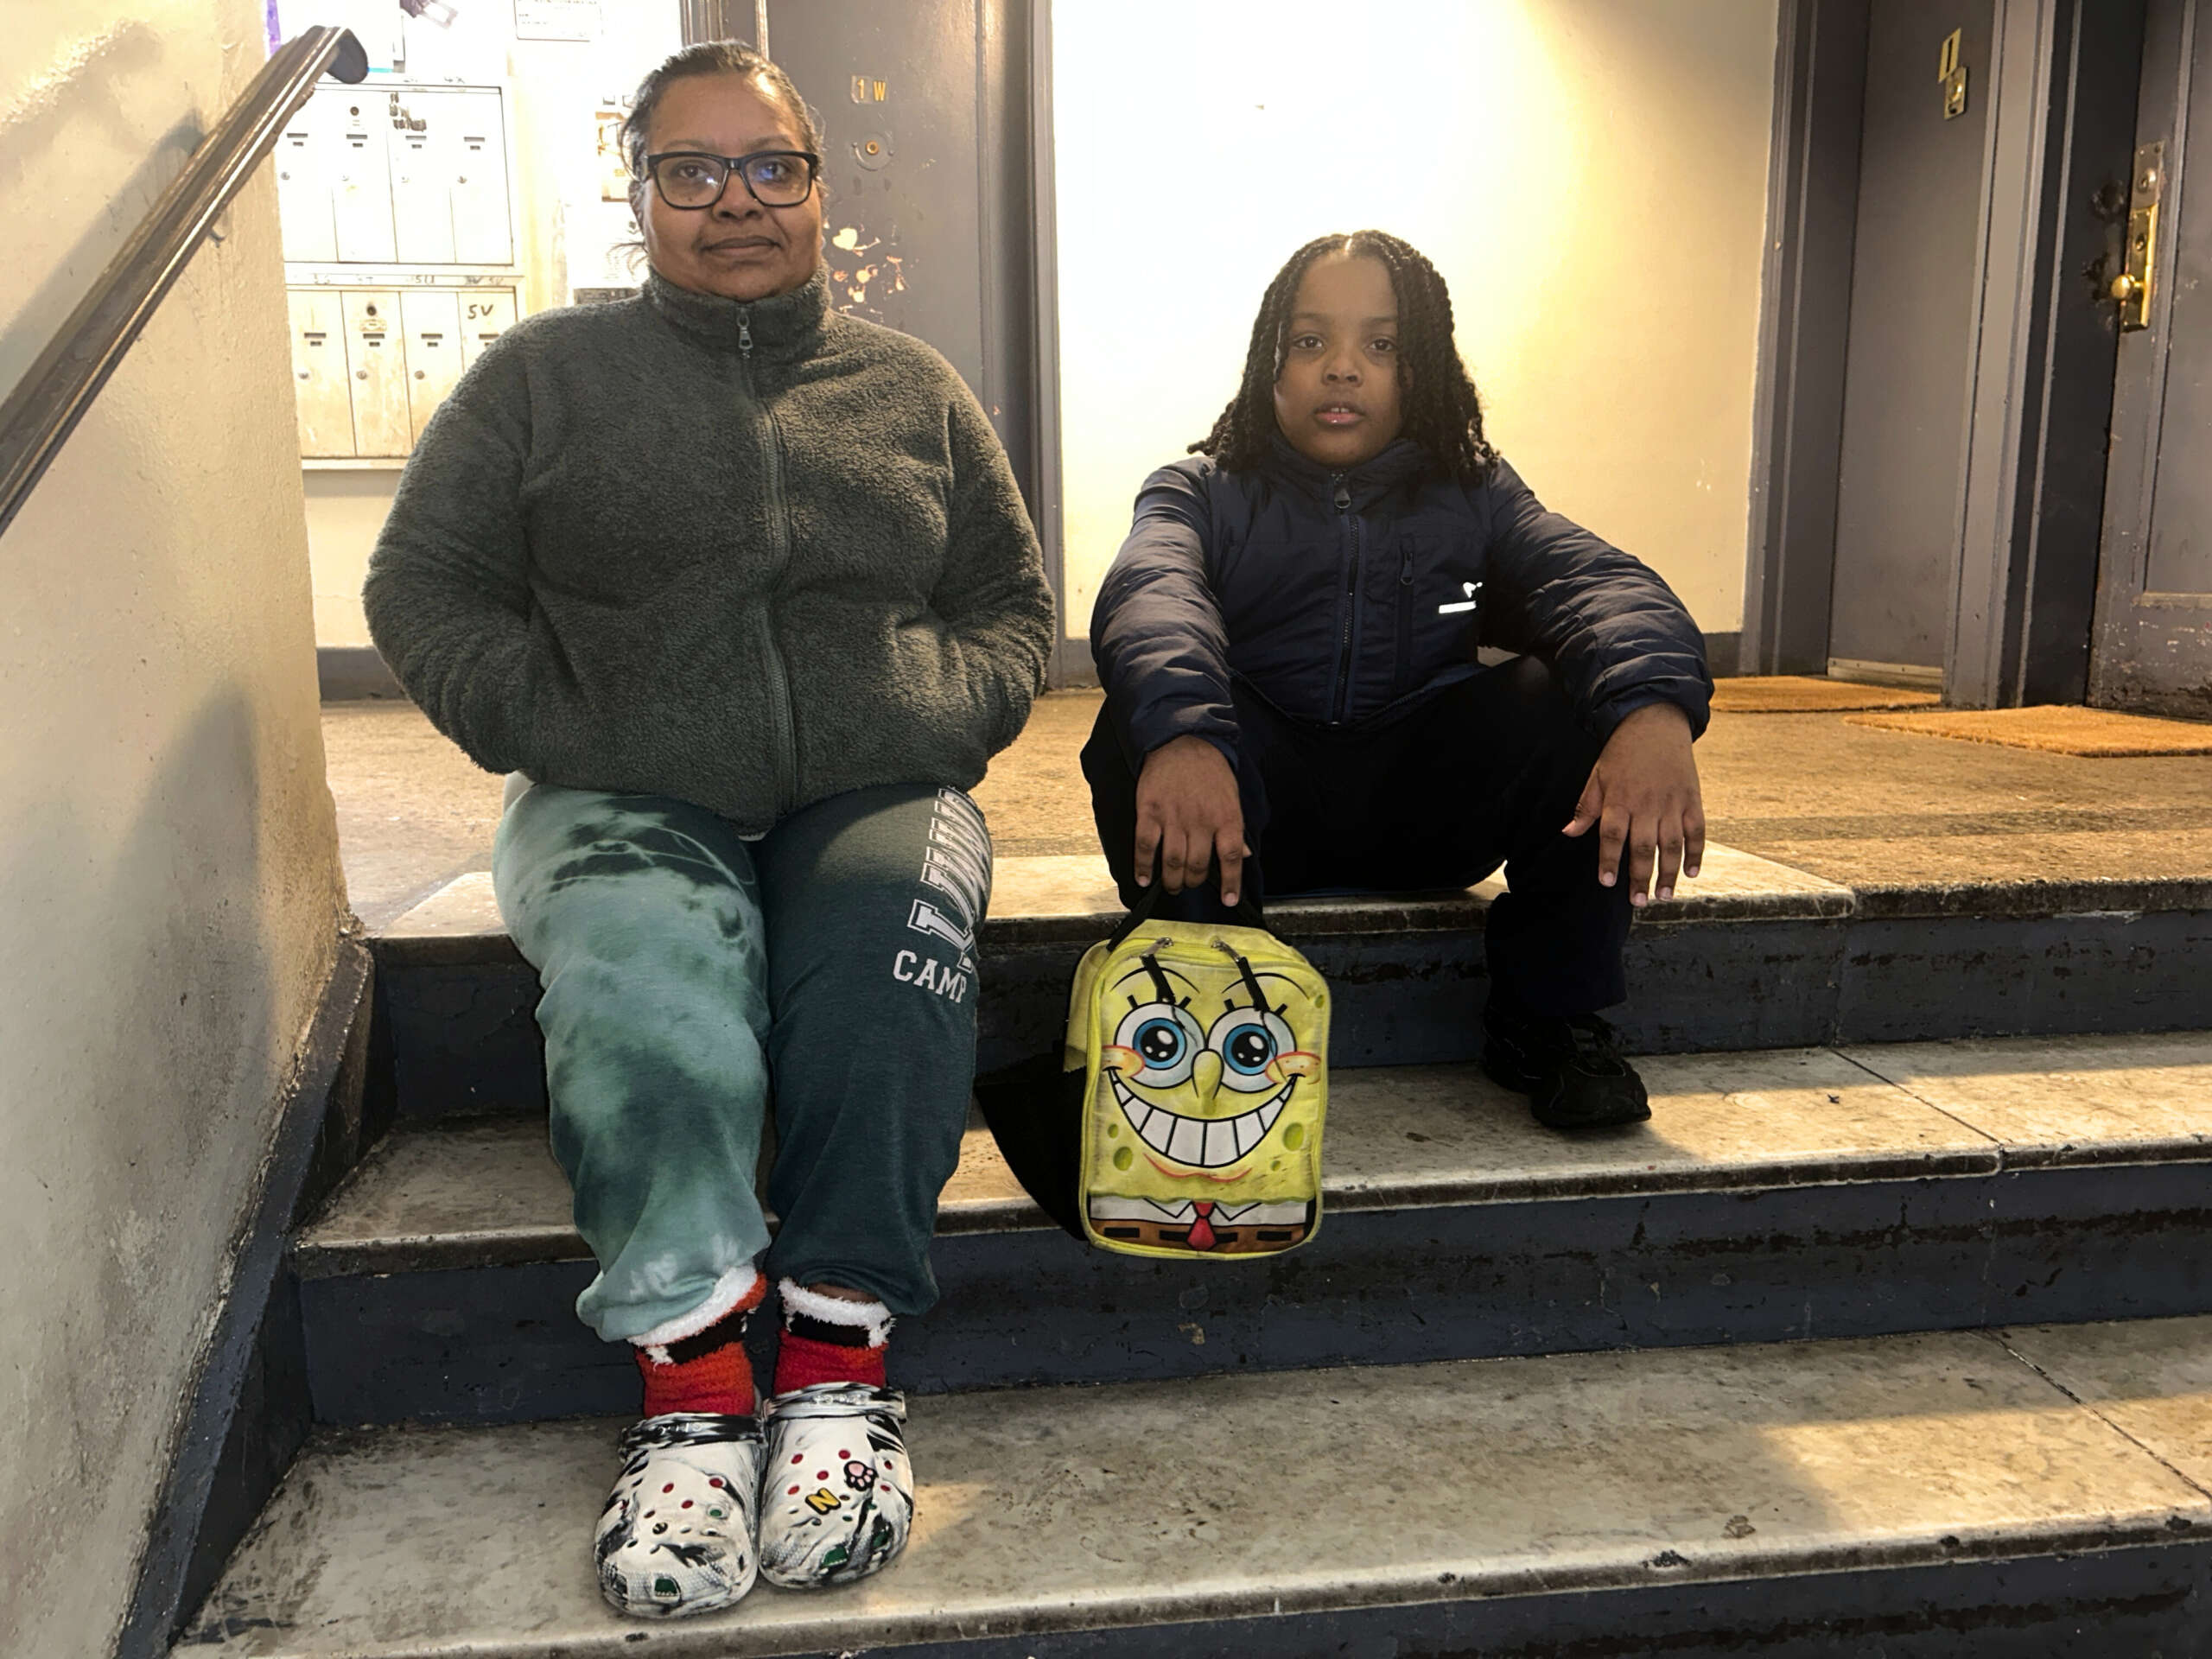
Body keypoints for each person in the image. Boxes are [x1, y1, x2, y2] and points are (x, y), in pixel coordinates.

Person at [363, 41, 1052, 1621]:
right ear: (642, 196)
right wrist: (552, 720)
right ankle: (692, 1394)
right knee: (640, 991)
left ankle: (838, 1367)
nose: (735, 200)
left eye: (770, 167)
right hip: (620, 794)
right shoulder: (540, 381)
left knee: (890, 978)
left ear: (817, 186)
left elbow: (1009, 605)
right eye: (692, 170)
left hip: (875, 783)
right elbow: (423, 586)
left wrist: (936, 714)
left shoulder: (915, 392)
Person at [1084, 230, 1710, 1131]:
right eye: (1310, 341)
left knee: (1572, 699)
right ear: (1269, 364)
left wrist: (1653, 711)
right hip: (1252, 819)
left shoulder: (1475, 491)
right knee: (1142, 719)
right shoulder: (1200, 489)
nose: (1342, 368)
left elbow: (1596, 583)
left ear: (1420, 371)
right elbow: (1151, 593)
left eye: (1380, 344)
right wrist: (1184, 734)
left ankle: (1547, 1021)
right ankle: (1203, 1019)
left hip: (1426, 813)